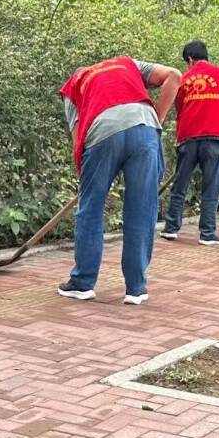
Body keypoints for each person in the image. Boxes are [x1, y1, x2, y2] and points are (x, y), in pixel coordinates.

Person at [58, 56, 182, 305]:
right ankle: (136, 288)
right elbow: (174, 76)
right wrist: (156, 120)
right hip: (145, 128)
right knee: (142, 209)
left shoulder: (72, 87)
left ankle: (82, 283)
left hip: (102, 132)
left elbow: (78, 141)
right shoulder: (128, 64)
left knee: (91, 209)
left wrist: (88, 182)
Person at [162, 40, 219, 246]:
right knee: (211, 185)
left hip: (188, 135)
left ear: (190, 59)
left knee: (180, 183)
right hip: (215, 135)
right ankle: (207, 233)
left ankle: (170, 228)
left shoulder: (183, 79)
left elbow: (178, 106)